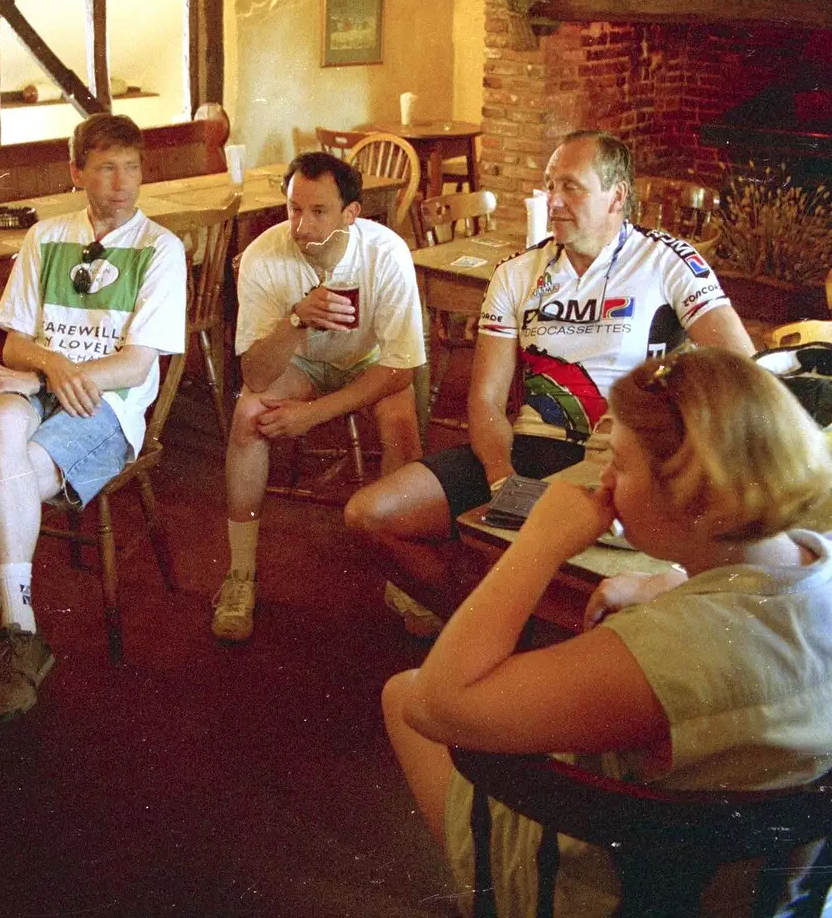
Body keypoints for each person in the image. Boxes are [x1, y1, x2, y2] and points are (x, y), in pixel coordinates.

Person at [383, 347, 832, 916]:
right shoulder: (819, 565)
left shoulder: (669, 652)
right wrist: (668, 581)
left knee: (403, 693)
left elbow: (436, 706)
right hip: (764, 891)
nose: (605, 480)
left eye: (620, 462)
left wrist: (539, 542)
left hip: (608, 889)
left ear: (692, 493)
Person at [345, 130, 755, 634]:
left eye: (572, 187)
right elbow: (487, 400)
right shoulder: (517, 272)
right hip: (527, 451)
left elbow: (742, 370)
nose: (553, 201)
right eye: (549, 185)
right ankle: (481, 624)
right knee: (369, 515)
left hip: (621, 459)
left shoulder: (667, 261)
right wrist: (501, 478)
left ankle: (509, 628)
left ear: (617, 197)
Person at [0, 114, 186, 775]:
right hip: (45, 386)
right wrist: (43, 366)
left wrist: (58, 370)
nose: (121, 180)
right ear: (76, 173)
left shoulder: (159, 248)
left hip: (108, 405)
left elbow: (136, 365)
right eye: (105, 166)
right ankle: (19, 633)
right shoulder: (47, 238)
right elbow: (13, 340)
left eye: (131, 166)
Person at [211, 151, 426, 642]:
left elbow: (400, 368)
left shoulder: (385, 252)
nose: (301, 226)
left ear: (352, 213)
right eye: (293, 209)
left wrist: (314, 414)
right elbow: (256, 374)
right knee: (248, 415)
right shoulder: (266, 255)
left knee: (400, 425)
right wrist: (295, 320)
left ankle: (405, 577)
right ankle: (241, 574)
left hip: (373, 361)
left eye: (319, 211)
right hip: (303, 362)